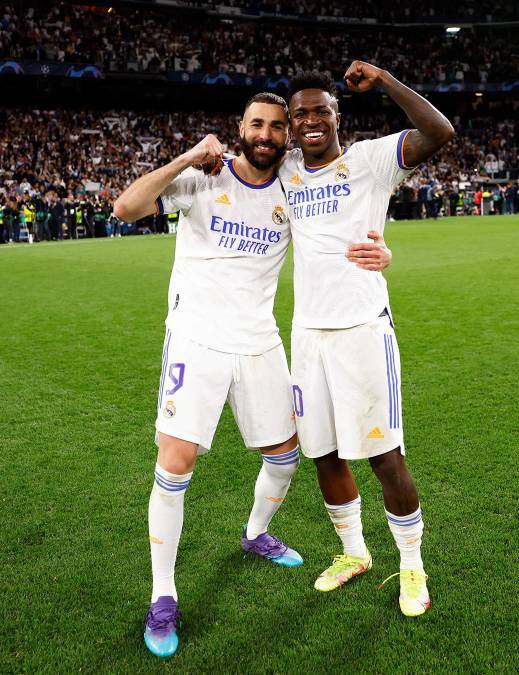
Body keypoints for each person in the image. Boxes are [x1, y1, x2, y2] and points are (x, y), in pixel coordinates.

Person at [114, 93, 305, 659]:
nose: (265, 134)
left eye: (276, 126)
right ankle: (163, 594)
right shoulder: (202, 178)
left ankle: (254, 533)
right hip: (195, 339)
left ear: (286, 135)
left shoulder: (292, 187)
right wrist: (186, 157)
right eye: (256, 124)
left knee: (285, 455)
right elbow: (126, 208)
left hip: (259, 340)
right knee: (176, 463)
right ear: (239, 129)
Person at [280, 64, 454, 617]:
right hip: (307, 333)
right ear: (290, 123)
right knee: (324, 454)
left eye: (321, 111)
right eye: (300, 113)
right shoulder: (284, 173)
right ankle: (354, 553)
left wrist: (382, 79)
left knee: (384, 455)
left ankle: (411, 565)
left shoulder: (370, 161)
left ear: (337, 116)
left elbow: (439, 132)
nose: (311, 121)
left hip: (362, 328)